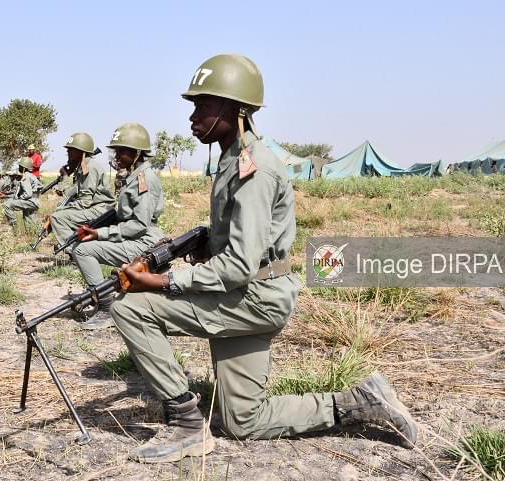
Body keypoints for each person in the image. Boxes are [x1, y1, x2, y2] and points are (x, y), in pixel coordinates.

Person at [110, 54, 418, 463]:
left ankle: (186, 424)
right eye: (194, 107)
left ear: (235, 110)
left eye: (203, 106)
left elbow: (238, 266)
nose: (193, 117)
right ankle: (358, 402)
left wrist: (165, 282)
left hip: (253, 298)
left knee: (131, 307)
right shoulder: (231, 161)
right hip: (254, 292)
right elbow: (242, 246)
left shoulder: (252, 169)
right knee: (244, 422)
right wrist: (205, 247)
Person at [71, 122, 164, 330]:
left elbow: (138, 225)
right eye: (116, 151)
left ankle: (106, 308)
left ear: (137, 153)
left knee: (83, 250)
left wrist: (100, 233)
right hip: (136, 236)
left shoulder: (144, 179)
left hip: (144, 240)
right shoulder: (133, 177)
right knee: (80, 246)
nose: (116, 157)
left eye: (121, 152)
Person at [50, 133, 115, 252]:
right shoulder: (83, 166)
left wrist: (62, 210)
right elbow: (74, 192)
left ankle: (75, 252)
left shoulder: (89, 167)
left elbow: (84, 201)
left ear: (81, 151)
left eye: (71, 150)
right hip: (96, 207)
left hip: (100, 209)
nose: (68, 152)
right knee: (61, 213)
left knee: (57, 217)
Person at [1, 157, 43, 231]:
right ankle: (38, 233)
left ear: (23, 167)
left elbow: (28, 194)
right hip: (34, 202)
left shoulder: (25, 176)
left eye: (20, 166)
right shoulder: (31, 175)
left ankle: (15, 228)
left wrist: (19, 198)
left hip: (30, 201)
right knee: (30, 225)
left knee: (6, 205)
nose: (19, 167)